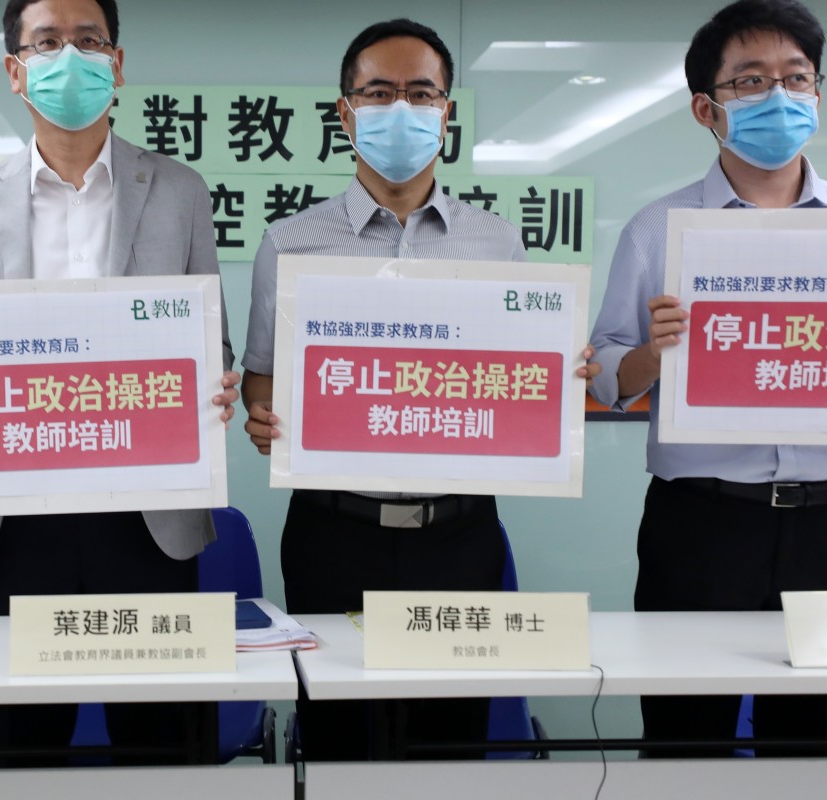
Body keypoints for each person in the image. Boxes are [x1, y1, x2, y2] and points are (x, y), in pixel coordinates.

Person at [0, 0, 239, 767]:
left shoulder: (179, 190)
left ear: (117, 63)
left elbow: (211, 341)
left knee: (164, 748)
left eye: (89, 40)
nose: (69, 58)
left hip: (148, 515)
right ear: (15, 71)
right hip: (17, 523)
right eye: (47, 43)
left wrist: (220, 381)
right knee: (28, 748)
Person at [241, 18, 597, 761]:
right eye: (378, 92)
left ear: (446, 111)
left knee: (450, 742)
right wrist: (260, 413)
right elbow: (264, 376)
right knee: (339, 738)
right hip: (332, 530)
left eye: (420, 93)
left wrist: (559, 383)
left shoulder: (496, 241)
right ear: (345, 112)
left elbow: (514, 377)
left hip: (459, 535)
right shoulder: (290, 242)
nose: (400, 109)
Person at [589, 0, 827, 758]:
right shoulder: (659, 227)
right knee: (683, 736)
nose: (779, 97)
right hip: (701, 525)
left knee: (814, 739)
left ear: (818, 93)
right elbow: (605, 374)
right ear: (707, 108)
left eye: (795, 79)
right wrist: (652, 354)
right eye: (751, 81)